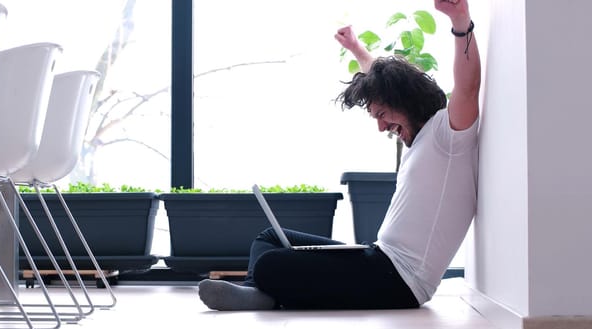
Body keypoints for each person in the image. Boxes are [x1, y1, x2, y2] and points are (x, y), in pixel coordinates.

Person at [198, 0, 481, 310]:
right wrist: (357, 49)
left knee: (271, 265)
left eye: (382, 114)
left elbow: (467, 87)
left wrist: (460, 20)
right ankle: (258, 293)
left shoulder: (447, 135)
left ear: (404, 99)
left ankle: (260, 290)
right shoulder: (421, 140)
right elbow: (384, 79)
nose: (381, 126)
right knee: (269, 239)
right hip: (377, 258)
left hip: (400, 280)